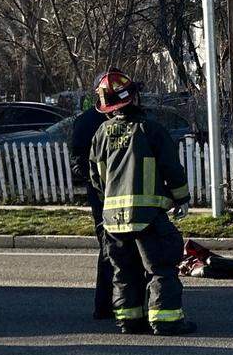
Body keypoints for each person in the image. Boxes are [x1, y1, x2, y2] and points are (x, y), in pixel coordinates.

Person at [89, 69, 196, 336]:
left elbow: (97, 177)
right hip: (148, 217)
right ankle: (166, 321)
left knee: (123, 272)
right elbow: (172, 168)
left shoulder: (101, 134)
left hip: (113, 220)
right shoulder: (151, 130)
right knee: (161, 268)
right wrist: (181, 198)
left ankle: (129, 321)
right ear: (134, 98)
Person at [69, 73, 122, 321]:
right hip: (102, 195)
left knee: (118, 250)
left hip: (121, 191)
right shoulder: (89, 122)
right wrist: (96, 181)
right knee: (109, 248)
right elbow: (78, 160)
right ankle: (105, 305)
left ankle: (122, 303)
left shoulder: (123, 119)